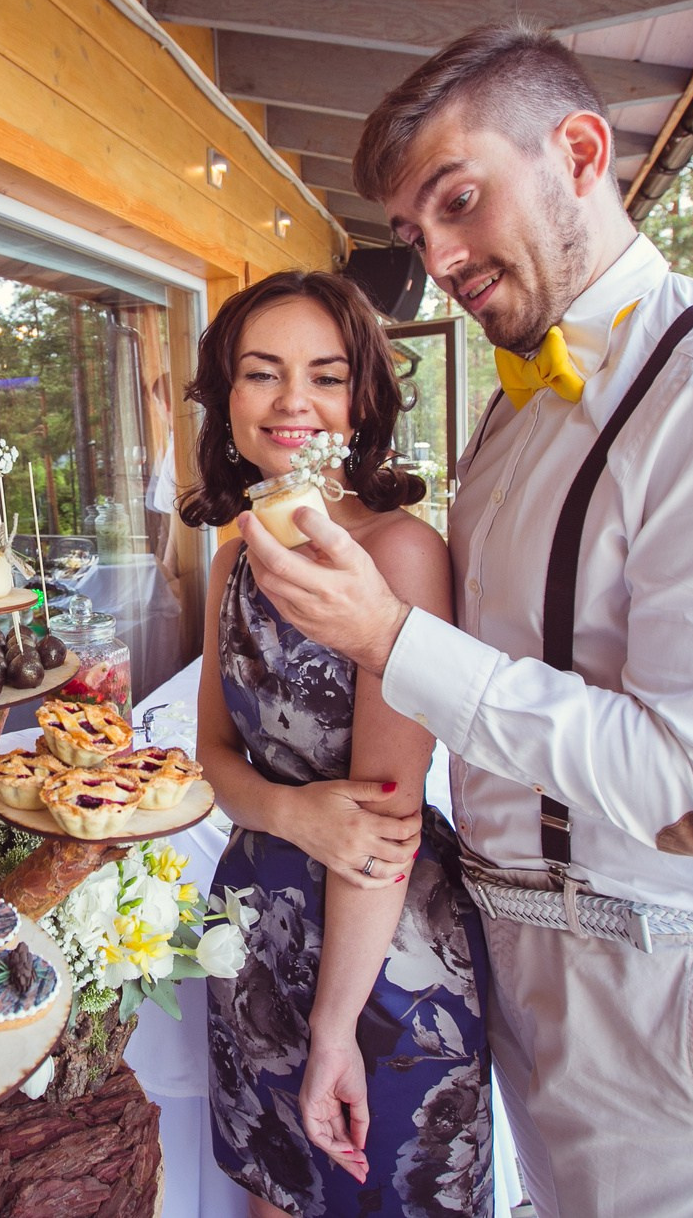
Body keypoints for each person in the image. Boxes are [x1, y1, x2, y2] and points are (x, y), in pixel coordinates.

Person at [236, 23, 693, 1218]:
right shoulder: (511, 417)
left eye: (458, 200)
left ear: (582, 153)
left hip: (670, 978)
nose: (439, 256)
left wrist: (388, 639)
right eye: (413, 232)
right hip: (525, 961)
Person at [182, 270, 493, 1218]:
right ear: (227, 397)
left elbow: (382, 821)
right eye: (262, 373)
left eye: (324, 376)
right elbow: (210, 756)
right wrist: (291, 812)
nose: (293, 402)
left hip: (384, 952)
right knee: (272, 1192)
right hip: (250, 927)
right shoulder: (233, 557)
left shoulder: (401, 554)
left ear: (362, 399)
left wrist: (332, 1028)